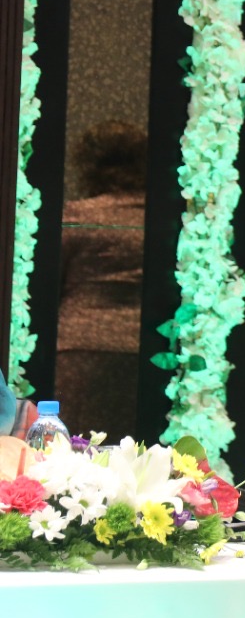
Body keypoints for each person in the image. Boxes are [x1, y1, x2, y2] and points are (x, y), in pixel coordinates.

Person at [55, 120, 147, 441]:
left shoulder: (77, 216)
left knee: (73, 449)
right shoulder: (162, 221)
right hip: (142, 350)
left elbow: (47, 285)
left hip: (77, 348)